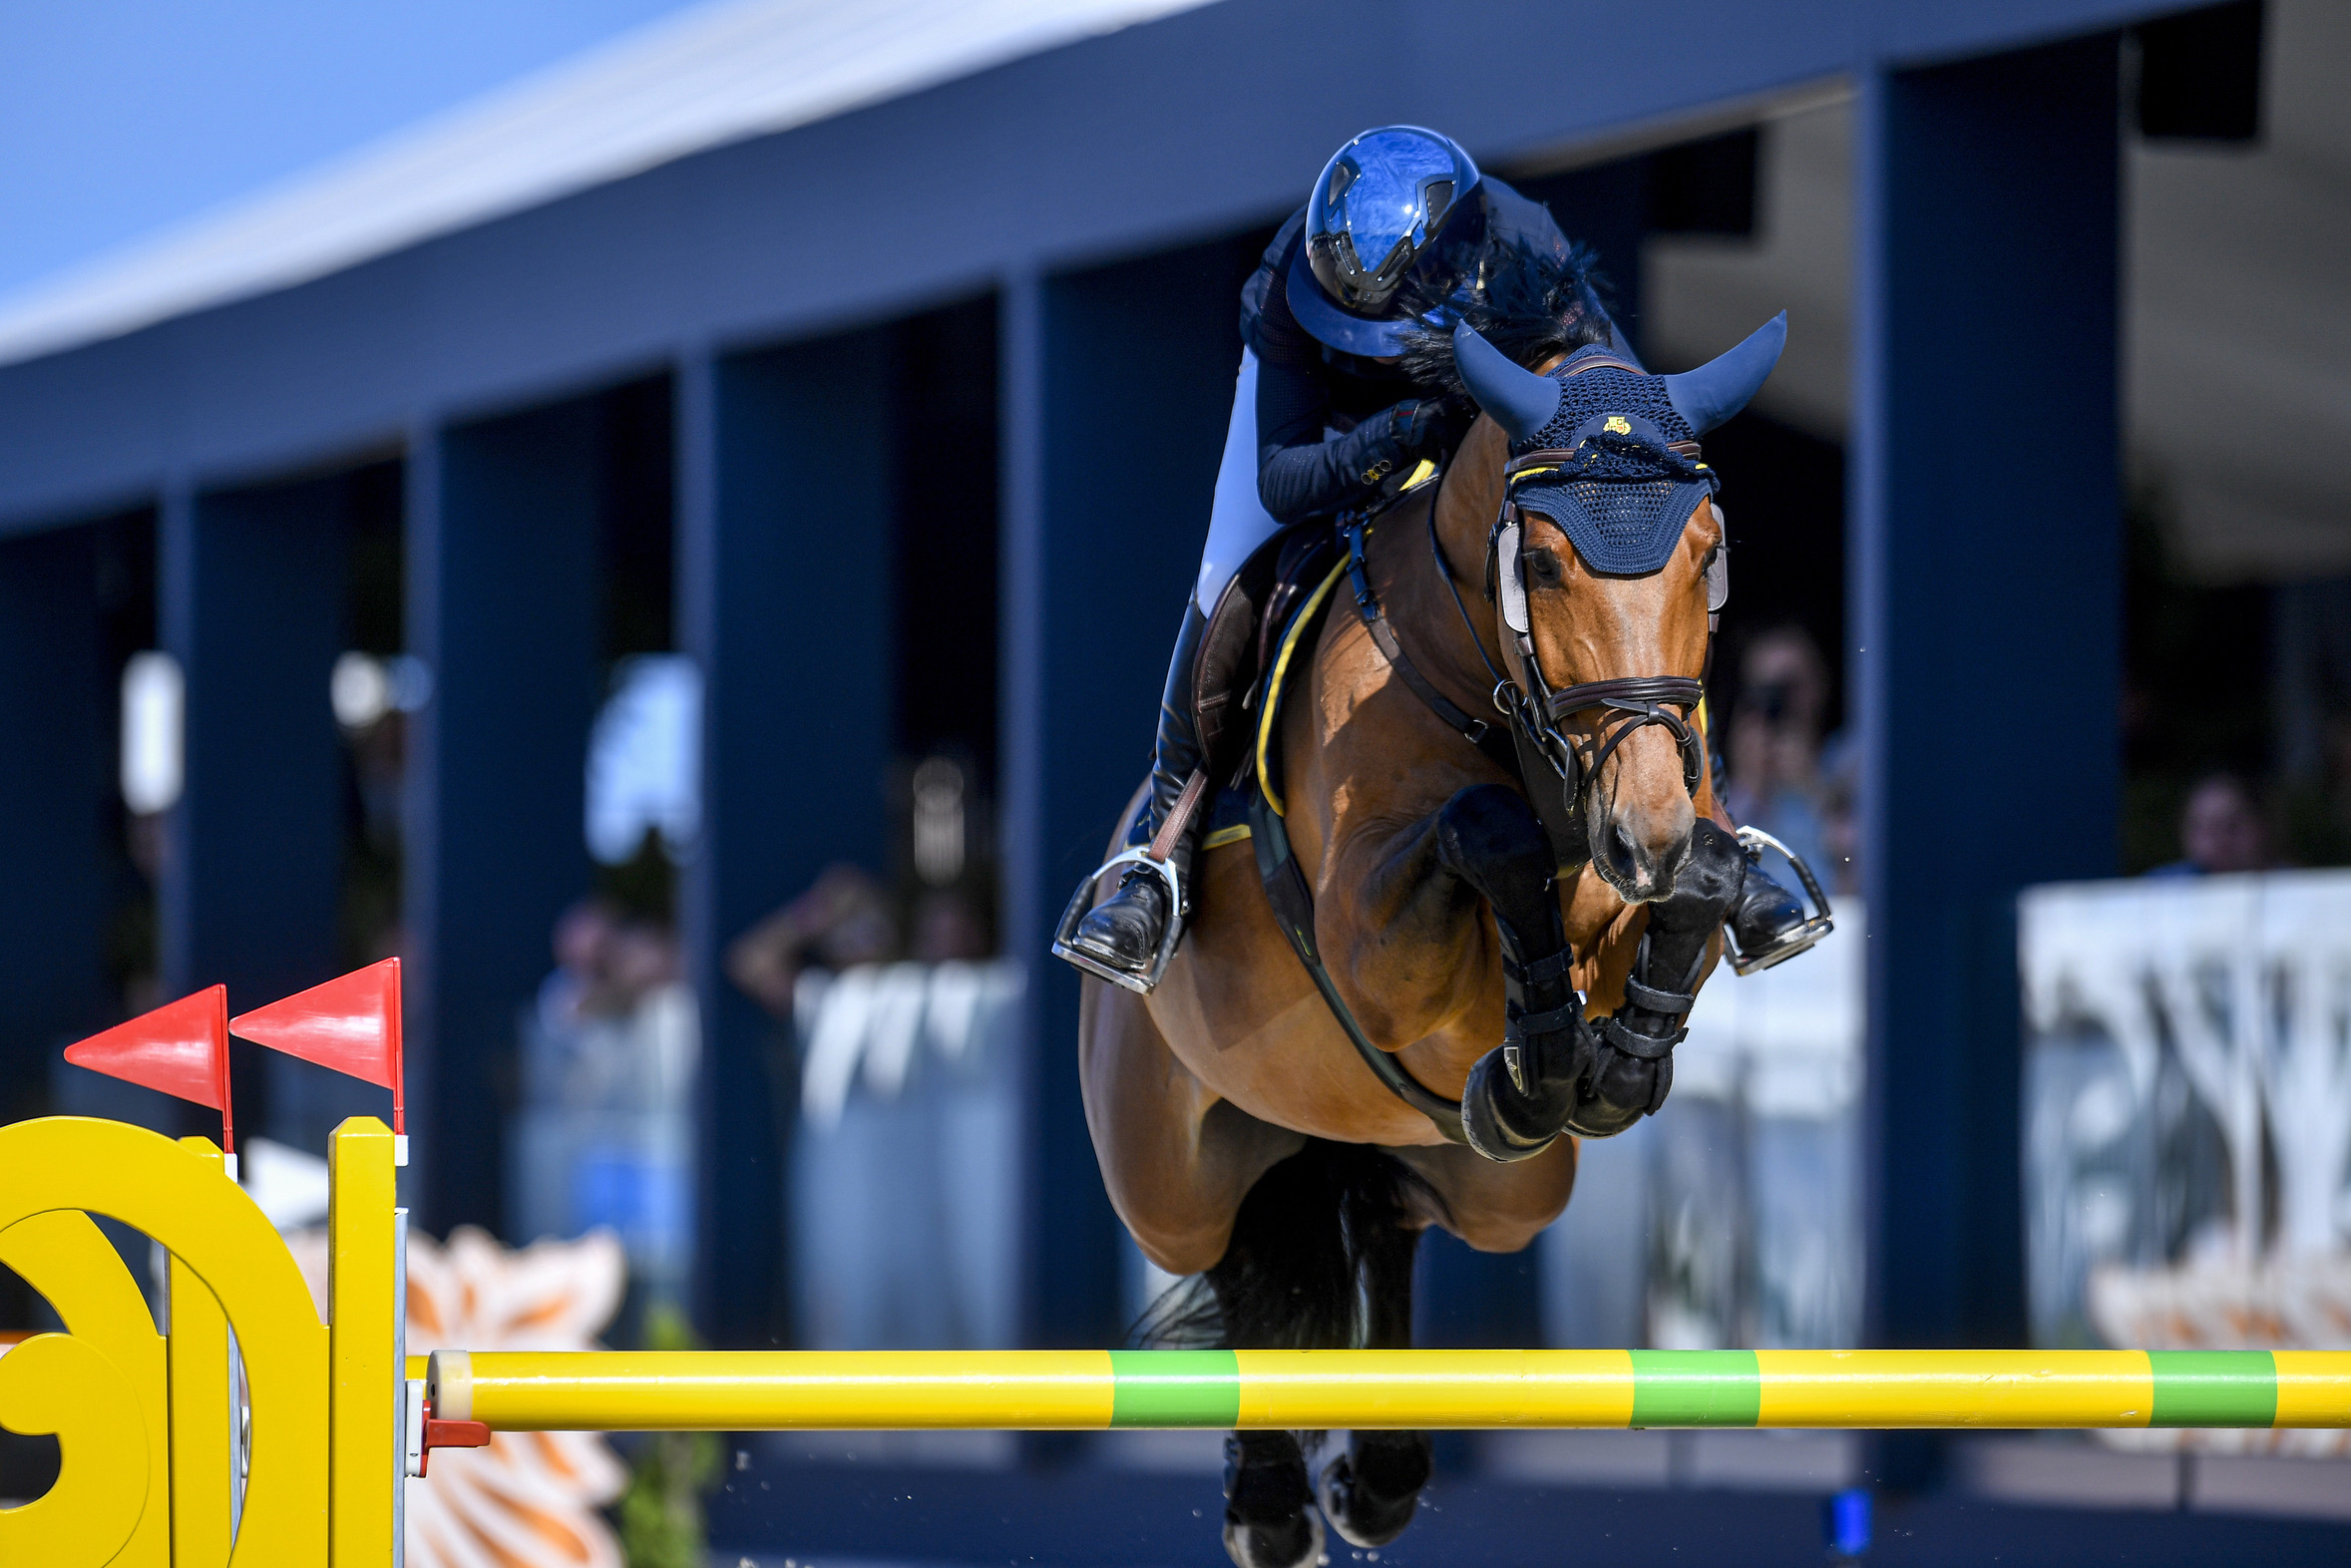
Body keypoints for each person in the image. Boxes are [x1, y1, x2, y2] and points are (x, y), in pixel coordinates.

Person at [1058, 127, 1814, 990]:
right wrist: (1400, 435)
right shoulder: (1286, 282)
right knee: (1225, 581)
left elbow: (1623, 420)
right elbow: (1280, 477)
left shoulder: (1519, 239)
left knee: (1631, 569)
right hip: (1339, 436)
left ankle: (1728, 836)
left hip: (1494, 424)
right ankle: (1161, 856)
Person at [2146, 771, 2274, 877]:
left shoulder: (2289, 885)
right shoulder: (2159, 890)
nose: (2220, 843)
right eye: (2203, 829)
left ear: (2261, 826)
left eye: (2232, 827)